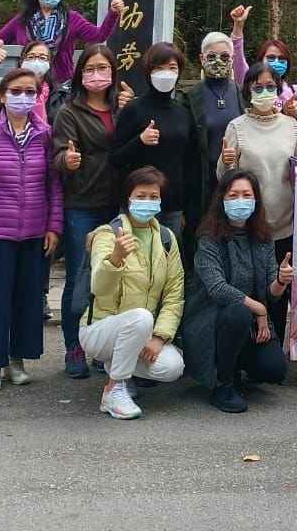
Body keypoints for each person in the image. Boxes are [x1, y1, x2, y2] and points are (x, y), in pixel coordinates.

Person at [0, 67, 63, 391]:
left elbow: (54, 187)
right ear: (2, 96)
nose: (22, 98)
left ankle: (16, 360)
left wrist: (53, 227)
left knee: (26, 299)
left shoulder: (45, 135)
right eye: (15, 91)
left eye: (29, 92)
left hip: (33, 231)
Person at [79, 167, 187, 419]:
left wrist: (160, 337)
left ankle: (117, 366)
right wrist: (115, 259)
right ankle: (114, 390)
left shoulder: (166, 237)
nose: (147, 202)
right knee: (140, 316)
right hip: (100, 329)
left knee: (172, 367)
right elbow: (99, 287)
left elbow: (174, 292)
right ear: (128, 199)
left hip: (141, 331)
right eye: (141, 196)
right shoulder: (107, 234)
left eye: (153, 196)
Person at [181, 170, 291, 413]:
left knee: (275, 369)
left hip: (247, 324)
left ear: (256, 200)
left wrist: (281, 281)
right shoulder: (208, 239)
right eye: (233, 195)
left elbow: (271, 293)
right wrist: (259, 309)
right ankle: (223, 382)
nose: (240, 200)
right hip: (211, 321)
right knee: (238, 312)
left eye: (246, 195)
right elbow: (218, 290)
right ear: (221, 199)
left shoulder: (263, 237)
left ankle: (233, 364)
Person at [52, 45, 124, 378]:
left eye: (103, 68)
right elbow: (58, 156)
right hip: (81, 203)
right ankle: (74, 346)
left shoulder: (122, 106)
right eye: (90, 69)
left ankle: (101, 345)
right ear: (81, 74)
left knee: (111, 278)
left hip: (118, 204)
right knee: (79, 279)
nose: (97, 75)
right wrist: (67, 161)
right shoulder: (69, 111)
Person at [0, 0, 123, 88]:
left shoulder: (72, 18)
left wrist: (113, 13)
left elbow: (99, 35)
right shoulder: (22, 20)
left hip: (62, 86)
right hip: (28, 84)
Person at [112, 43, 197, 239]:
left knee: (168, 262)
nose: (166, 73)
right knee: (132, 261)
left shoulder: (183, 113)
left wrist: (184, 208)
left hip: (172, 207)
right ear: (148, 71)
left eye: (172, 68)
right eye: (159, 68)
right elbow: (115, 159)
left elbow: (187, 162)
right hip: (138, 203)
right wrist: (139, 141)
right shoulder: (133, 109)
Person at [220, 64, 297, 265]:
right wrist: (226, 162)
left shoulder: (290, 125)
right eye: (257, 88)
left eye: (270, 86)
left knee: (280, 287)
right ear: (248, 91)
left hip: (285, 224)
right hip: (249, 224)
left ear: (278, 88)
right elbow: (224, 179)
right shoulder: (237, 126)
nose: (264, 91)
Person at [187, 31, 243, 213]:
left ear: (233, 58)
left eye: (224, 56)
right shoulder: (188, 97)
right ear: (202, 58)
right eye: (211, 56)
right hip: (199, 183)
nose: (218, 60)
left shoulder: (244, 95)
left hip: (237, 182)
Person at [0, 39, 55, 121]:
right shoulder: (8, 88)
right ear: (21, 61)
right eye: (31, 57)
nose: (36, 61)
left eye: (42, 58)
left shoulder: (59, 94)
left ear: (49, 62)